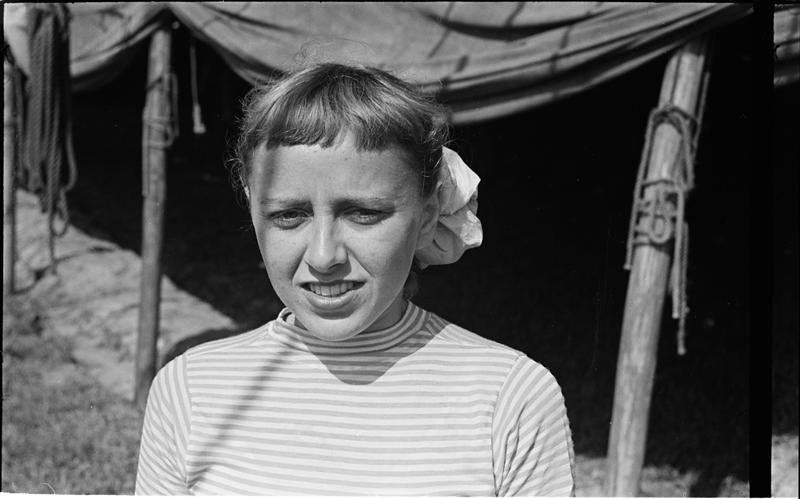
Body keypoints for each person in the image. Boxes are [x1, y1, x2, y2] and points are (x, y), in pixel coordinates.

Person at [135, 63, 575, 496]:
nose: (324, 256)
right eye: (289, 215)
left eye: (364, 213)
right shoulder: (189, 390)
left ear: (427, 216)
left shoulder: (510, 399)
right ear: (253, 213)